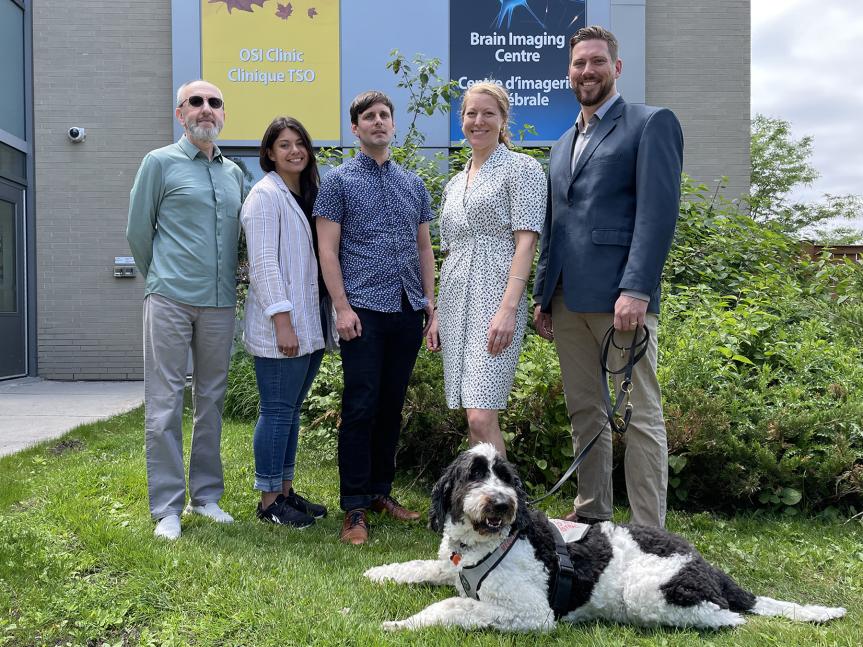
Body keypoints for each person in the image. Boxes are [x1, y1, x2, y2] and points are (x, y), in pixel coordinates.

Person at [533, 26, 684, 528]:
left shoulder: (649, 123)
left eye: (597, 62)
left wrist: (637, 287)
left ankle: (648, 531)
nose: (587, 71)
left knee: (639, 416)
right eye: (579, 64)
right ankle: (593, 512)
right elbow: (556, 224)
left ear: (616, 68)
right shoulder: (560, 144)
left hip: (620, 299)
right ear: (569, 71)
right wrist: (541, 295)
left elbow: (657, 215)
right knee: (585, 412)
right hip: (566, 301)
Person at [314, 90, 436, 545]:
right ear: (356, 127)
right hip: (362, 311)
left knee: (391, 406)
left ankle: (382, 492)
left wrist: (430, 302)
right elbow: (327, 249)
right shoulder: (339, 182)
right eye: (370, 116)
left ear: (393, 124)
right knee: (361, 407)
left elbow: (425, 247)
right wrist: (341, 307)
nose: (379, 122)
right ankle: (355, 508)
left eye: (385, 115)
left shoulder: (413, 184)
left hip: (406, 309)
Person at [127, 80, 245, 540]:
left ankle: (207, 497)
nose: (205, 110)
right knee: (164, 403)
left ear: (223, 115)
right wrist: (160, 279)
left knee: (211, 402)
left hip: (219, 303)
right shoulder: (159, 163)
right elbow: (139, 232)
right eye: (195, 102)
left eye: (214, 103)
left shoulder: (233, 173)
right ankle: (167, 508)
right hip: (171, 298)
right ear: (181, 114)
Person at [426, 82, 546, 456]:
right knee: (472, 415)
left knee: (481, 415)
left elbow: (526, 243)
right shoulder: (454, 182)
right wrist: (436, 317)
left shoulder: (522, 169)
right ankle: (487, 507)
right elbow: (448, 251)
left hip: (495, 300)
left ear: (503, 119)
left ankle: (509, 509)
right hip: (455, 304)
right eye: (471, 113)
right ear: (461, 119)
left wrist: (509, 309)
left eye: (488, 113)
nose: (478, 121)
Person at [241, 116, 335, 528]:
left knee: (292, 410)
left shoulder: (306, 195)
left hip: (310, 321)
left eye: (300, 142)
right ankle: (267, 502)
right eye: (284, 144)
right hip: (284, 323)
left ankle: (286, 491)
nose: (294, 150)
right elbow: (262, 264)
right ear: (268, 153)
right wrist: (282, 320)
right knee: (277, 410)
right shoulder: (264, 196)